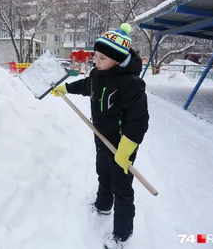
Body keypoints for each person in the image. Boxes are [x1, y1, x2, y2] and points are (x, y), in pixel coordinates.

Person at [51, 23, 149, 249]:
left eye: (103, 58)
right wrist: (66, 89)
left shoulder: (132, 85)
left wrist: (126, 150)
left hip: (122, 146)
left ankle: (121, 235)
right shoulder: (98, 75)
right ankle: (103, 205)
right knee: (103, 174)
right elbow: (87, 86)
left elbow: (138, 121)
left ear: (118, 59)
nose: (97, 61)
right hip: (101, 139)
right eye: (96, 56)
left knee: (122, 188)